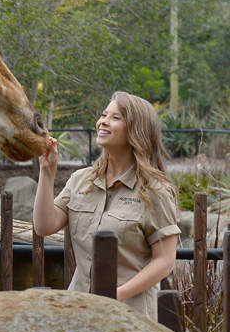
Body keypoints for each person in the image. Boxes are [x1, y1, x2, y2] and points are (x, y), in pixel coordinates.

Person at [33, 91, 180, 320]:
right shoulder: (81, 179)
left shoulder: (155, 191)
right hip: (80, 312)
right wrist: (47, 172)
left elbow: (165, 261)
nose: (103, 121)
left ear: (136, 129)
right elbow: (43, 226)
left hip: (132, 317)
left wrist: (115, 295)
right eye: (104, 115)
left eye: (115, 117)